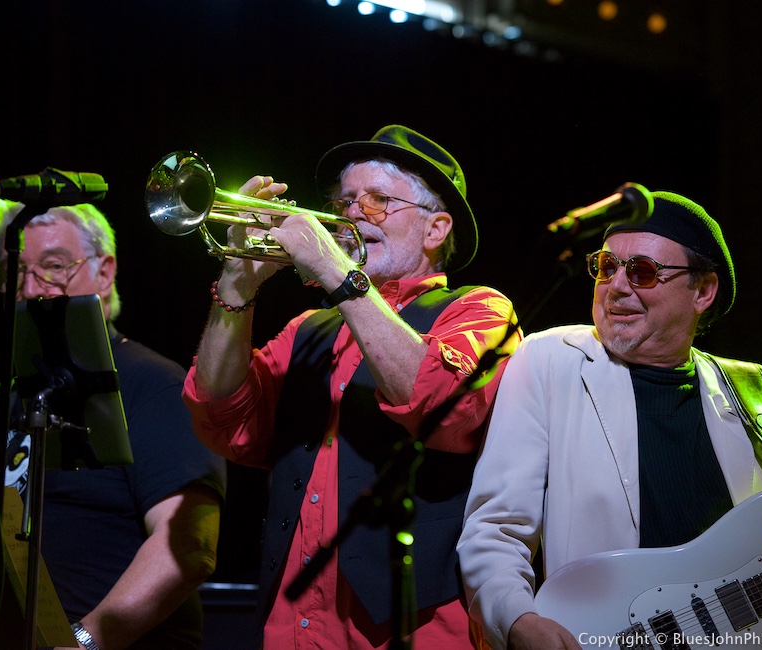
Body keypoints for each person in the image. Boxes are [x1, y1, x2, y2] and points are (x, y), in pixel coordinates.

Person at [457, 191, 762, 650]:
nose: (616, 286)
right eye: (605, 267)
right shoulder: (550, 361)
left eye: (641, 271)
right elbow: (495, 529)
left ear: (702, 291)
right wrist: (517, 620)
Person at [183, 124, 520, 649]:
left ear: (436, 229)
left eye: (379, 200)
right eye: (344, 201)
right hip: (289, 628)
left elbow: (445, 410)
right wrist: (235, 283)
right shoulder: (308, 330)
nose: (352, 213)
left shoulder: (477, 309)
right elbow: (224, 419)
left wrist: (336, 272)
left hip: (413, 632)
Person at [0, 200, 226, 649]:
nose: (31, 288)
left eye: (54, 266)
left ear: (105, 271)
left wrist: (84, 641)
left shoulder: (152, 384)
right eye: (15, 270)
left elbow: (188, 547)